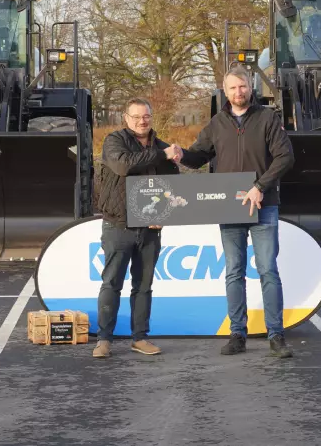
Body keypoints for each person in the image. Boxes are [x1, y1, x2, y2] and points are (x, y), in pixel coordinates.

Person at [175, 66, 295, 358]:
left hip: (263, 205)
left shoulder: (267, 119)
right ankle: (237, 334)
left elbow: (285, 157)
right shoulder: (217, 123)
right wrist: (181, 154)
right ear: (225, 91)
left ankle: (276, 335)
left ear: (250, 87)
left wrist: (260, 186)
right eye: (232, 88)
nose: (238, 92)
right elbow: (199, 156)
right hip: (229, 207)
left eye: (242, 86)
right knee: (234, 272)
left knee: (268, 270)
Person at [93, 97, 182, 358]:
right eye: (136, 117)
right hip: (118, 226)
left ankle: (140, 338)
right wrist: (162, 154)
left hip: (150, 228)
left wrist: (164, 214)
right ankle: (104, 340)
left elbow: (172, 186)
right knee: (111, 283)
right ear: (126, 119)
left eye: (146, 116)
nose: (142, 121)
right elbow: (124, 165)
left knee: (143, 286)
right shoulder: (114, 141)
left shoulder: (162, 147)